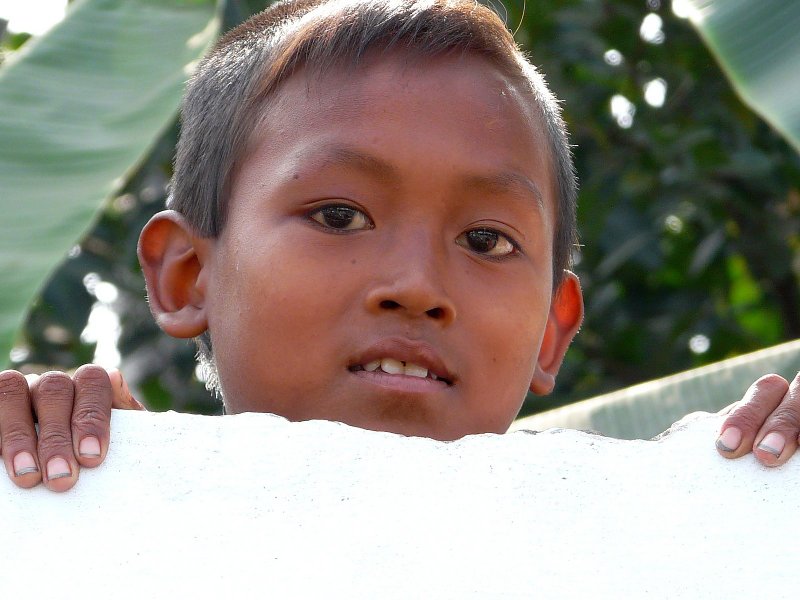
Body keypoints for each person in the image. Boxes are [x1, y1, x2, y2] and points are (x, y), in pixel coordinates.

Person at [1, 0, 797, 493]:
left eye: (486, 239)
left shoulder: (666, 549)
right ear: (186, 274)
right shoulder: (97, 513)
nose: (417, 286)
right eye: (340, 216)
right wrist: (62, 472)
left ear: (555, 326)